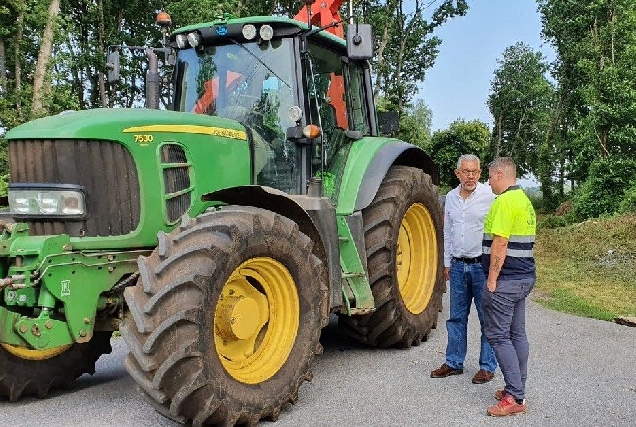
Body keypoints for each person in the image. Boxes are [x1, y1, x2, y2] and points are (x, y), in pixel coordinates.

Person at [431, 154, 498, 385]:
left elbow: (498, 234)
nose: (471, 176)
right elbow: (447, 232)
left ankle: (487, 367)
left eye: (475, 172)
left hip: (481, 266)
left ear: (479, 174)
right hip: (458, 266)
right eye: (466, 172)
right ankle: (453, 362)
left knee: (486, 317)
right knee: (456, 317)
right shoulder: (450, 197)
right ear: (457, 173)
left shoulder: (490, 196)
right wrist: (447, 263)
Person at [481, 157, 536, 417]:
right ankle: (516, 389)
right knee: (517, 335)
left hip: (506, 280)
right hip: (524, 277)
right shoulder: (524, 201)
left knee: (499, 336)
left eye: (490, 177)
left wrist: (492, 280)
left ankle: (515, 396)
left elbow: (500, 243)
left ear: (500, 175)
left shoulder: (504, 201)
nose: (488, 182)